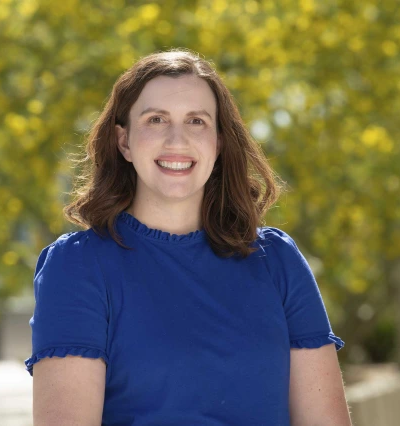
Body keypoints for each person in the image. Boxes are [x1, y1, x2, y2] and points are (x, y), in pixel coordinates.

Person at [24, 48, 353, 426]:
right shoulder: (78, 268)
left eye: (196, 121)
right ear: (124, 141)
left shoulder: (277, 261)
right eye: (156, 119)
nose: (176, 139)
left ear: (219, 142)